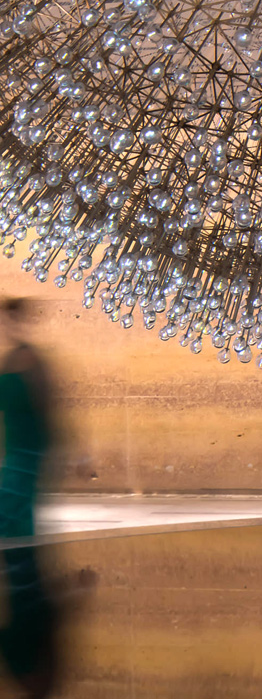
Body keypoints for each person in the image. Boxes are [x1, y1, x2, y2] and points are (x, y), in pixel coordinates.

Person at [0, 297, 59, 698]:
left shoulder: (31, 359)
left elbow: (46, 407)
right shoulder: (15, 358)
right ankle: (22, 556)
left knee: (14, 509)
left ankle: (21, 553)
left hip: (29, 447)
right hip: (19, 447)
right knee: (14, 512)